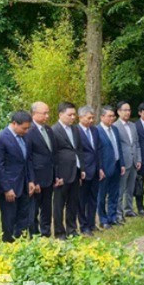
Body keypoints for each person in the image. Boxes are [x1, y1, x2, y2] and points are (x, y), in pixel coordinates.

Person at [0, 111, 36, 242]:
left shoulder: (25, 137)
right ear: (14, 124)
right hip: (9, 187)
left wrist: (31, 180)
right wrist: (6, 188)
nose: (26, 131)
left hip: (24, 185)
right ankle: (9, 245)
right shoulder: (0, 138)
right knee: (9, 219)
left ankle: (21, 242)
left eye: (28, 128)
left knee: (24, 217)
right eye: (24, 128)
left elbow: (27, 160)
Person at [51, 102, 84, 238]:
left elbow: (79, 149)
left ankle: (72, 230)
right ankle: (59, 232)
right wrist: (56, 175)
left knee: (73, 203)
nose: (72, 117)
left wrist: (81, 168)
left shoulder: (75, 129)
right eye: (69, 115)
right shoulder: (54, 130)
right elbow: (53, 155)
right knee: (59, 205)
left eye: (74, 115)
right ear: (60, 114)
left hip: (75, 172)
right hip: (62, 174)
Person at [26, 102, 56, 237]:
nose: (47, 116)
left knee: (47, 207)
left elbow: (52, 154)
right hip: (36, 177)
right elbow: (29, 158)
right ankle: (34, 234)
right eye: (44, 113)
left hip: (49, 176)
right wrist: (33, 180)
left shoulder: (49, 130)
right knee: (34, 209)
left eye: (47, 112)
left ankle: (46, 232)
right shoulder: (29, 131)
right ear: (34, 114)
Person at [97, 106, 125, 229]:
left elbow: (119, 148)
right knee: (102, 195)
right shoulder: (97, 131)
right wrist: (100, 168)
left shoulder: (115, 129)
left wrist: (122, 163)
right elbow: (97, 152)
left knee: (114, 193)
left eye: (113, 116)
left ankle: (112, 217)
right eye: (109, 116)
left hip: (117, 165)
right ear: (102, 117)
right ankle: (103, 219)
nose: (111, 118)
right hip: (104, 167)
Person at [76, 106, 103, 236]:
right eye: (89, 118)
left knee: (93, 199)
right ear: (80, 117)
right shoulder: (75, 131)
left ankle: (92, 223)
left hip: (95, 169)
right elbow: (77, 153)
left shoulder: (94, 130)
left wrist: (100, 168)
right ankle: (83, 225)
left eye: (93, 118)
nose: (91, 120)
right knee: (82, 200)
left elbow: (98, 150)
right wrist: (80, 170)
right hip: (84, 171)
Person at [114, 101, 141, 218]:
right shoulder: (115, 126)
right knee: (120, 189)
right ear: (119, 112)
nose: (128, 112)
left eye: (129, 110)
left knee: (130, 188)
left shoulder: (133, 126)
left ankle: (128, 209)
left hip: (134, 161)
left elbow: (136, 143)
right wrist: (120, 163)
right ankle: (118, 212)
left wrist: (139, 159)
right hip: (123, 162)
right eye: (125, 110)